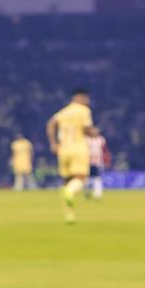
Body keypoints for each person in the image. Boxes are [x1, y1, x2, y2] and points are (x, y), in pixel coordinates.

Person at [47, 89, 95, 224]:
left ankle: (69, 214)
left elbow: (51, 123)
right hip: (79, 147)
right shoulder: (83, 110)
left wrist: (53, 143)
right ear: (81, 97)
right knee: (81, 178)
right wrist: (94, 133)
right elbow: (87, 129)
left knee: (67, 180)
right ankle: (70, 192)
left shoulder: (64, 112)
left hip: (63, 149)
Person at [86, 127, 111, 200]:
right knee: (87, 178)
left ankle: (97, 194)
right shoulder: (86, 140)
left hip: (98, 162)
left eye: (95, 131)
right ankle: (87, 192)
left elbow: (105, 151)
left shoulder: (101, 140)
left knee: (97, 178)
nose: (94, 132)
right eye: (93, 131)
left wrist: (107, 160)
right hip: (87, 162)